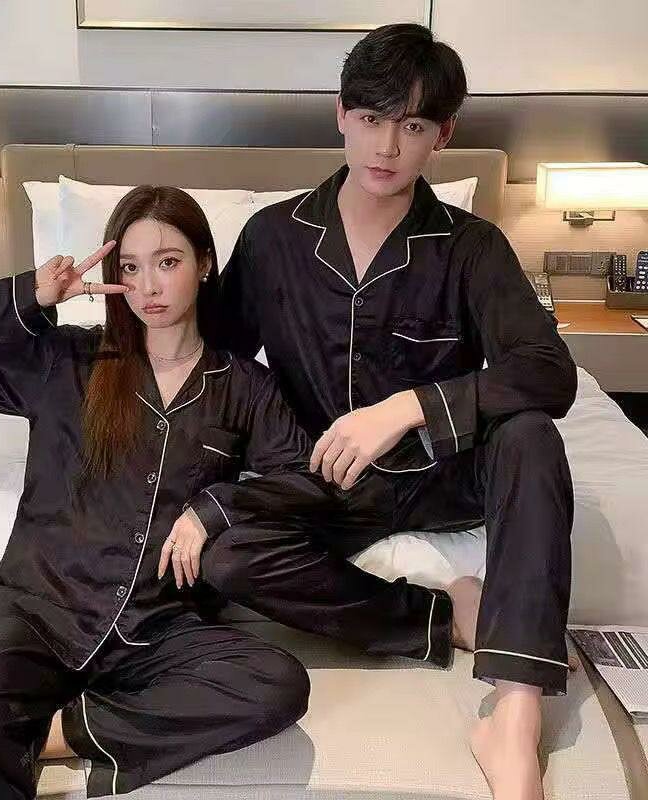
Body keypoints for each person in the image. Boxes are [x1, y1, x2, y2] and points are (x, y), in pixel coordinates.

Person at [188, 22, 578, 800]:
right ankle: (441, 616)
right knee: (224, 557)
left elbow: (548, 372)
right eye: (371, 118)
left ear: (443, 135)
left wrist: (408, 406)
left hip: (442, 473)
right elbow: (214, 361)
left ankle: (514, 714)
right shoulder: (273, 239)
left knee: (532, 435)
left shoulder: (471, 246)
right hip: (323, 479)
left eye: (413, 126)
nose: (388, 146)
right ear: (341, 113)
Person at [0, 185, 354, 799]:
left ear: (204, 264)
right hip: (38, 614)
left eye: (167, 262)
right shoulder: (67, 361)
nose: (148, 287)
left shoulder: (245, 386)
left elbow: (307, 481)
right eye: (130, 268)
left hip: (156, 624)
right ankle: (1, 738)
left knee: (276, 684)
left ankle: (55, 734)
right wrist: (32, 297)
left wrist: (213, 509)